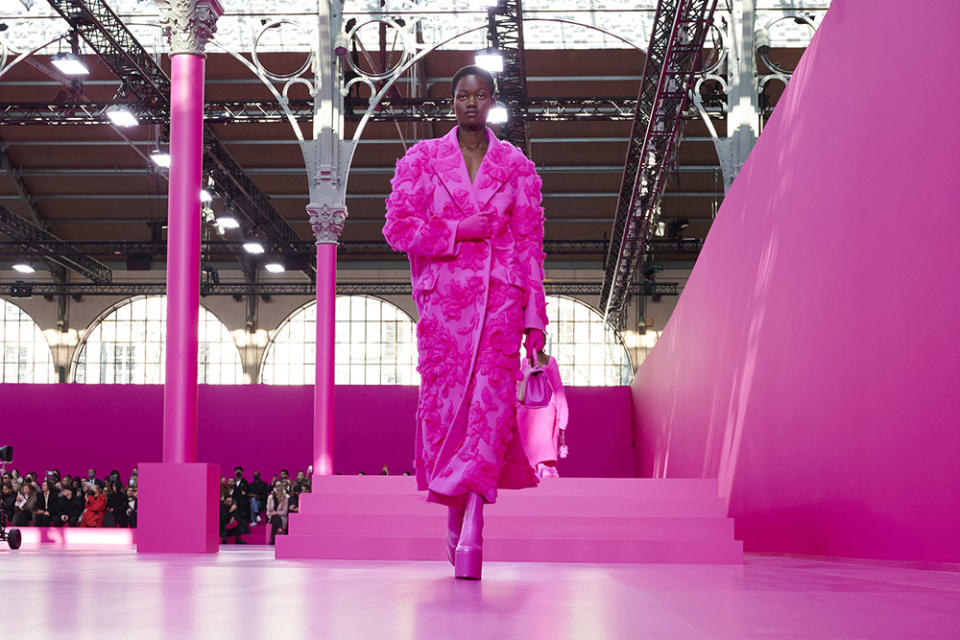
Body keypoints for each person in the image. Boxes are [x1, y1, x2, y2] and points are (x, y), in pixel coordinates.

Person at [383, 65, 548, 580]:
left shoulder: (517, 168)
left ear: (492, 102)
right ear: (451, 103)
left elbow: (530, 249)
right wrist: (459, 229)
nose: (471, 104)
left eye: (480, 96)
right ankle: (455, 512)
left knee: (490, 415)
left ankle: (475, 520)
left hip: (500, 306)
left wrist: (535, 323)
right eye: (462, 96)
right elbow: (398, 227)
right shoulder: (422, 160)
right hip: (445, 312)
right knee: (446, 415)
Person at [517, 349, 569, 478]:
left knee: (544, 437)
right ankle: (534, 468)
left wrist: (563, 415)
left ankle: (543, 466)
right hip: (530, 407)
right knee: (531, 440)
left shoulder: (549, 361)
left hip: (545, 405)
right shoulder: (525, 361)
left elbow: (557, 387)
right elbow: (520, 384)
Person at [265, 481, 289, 545]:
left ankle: (272, 539)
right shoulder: (270, 498)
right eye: (274, 493)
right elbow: (268, 510)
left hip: (282, 517)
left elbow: (284, 512)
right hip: (270, 517)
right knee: (275, 517)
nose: (275, 495)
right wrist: (270, 515)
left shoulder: (286, 497)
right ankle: (279, 530)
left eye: (277, 493)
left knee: (276, 517)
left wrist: (276, 513)